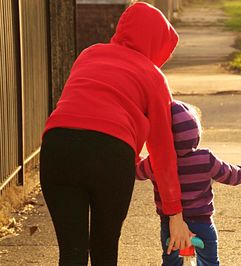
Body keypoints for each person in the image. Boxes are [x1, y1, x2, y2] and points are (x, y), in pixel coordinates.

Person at [39, 3, 193, 265]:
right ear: (158, 43)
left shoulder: (89, 54)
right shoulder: (152, 75)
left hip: (57, 146)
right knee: (104, 247)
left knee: (72, 252)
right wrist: (174, 213)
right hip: (110, 154)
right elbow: (162, 150)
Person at [136, 100, 241, 266]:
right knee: (210, 261)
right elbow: (230, 175)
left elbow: (137, 173)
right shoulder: (206, 159)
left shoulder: (155, 162)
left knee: (171, 261)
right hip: (202, 223)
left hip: (170, 224)